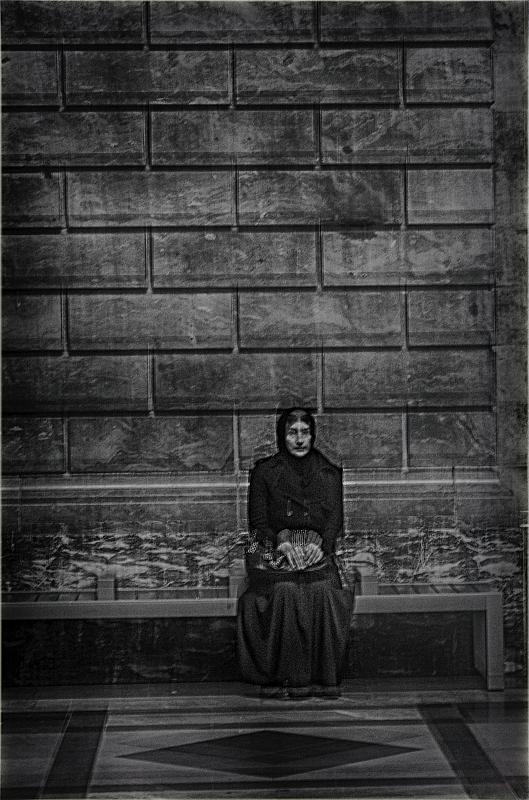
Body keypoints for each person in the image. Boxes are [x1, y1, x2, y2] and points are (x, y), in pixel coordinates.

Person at [237, 407, 354, 699]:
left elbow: (334, 521)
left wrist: (321, 546)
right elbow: (257, 524)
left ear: (313, 435)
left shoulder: (328, 473)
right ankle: (288, 678)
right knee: (286, 592)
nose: (299, 440)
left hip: (317, 555)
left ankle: (322, 679)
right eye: (292, 433)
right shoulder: (265, 472)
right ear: (282, 436)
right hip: (275, 555)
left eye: (305, 432)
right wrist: (281, 543)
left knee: (323, 591)